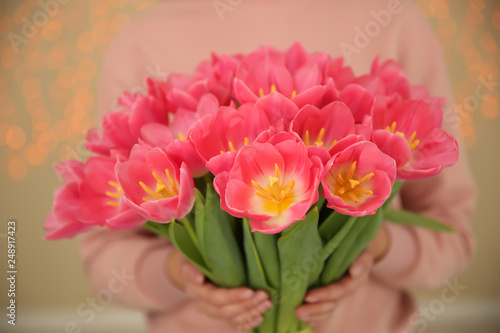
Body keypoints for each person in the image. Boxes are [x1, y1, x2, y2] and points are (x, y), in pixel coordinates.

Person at [80, 0, 476, 332]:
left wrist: (368, 243)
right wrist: (180, 271)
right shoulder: (142, 40)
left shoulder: (395, 17)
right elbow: (103, 260)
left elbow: (454, 238)